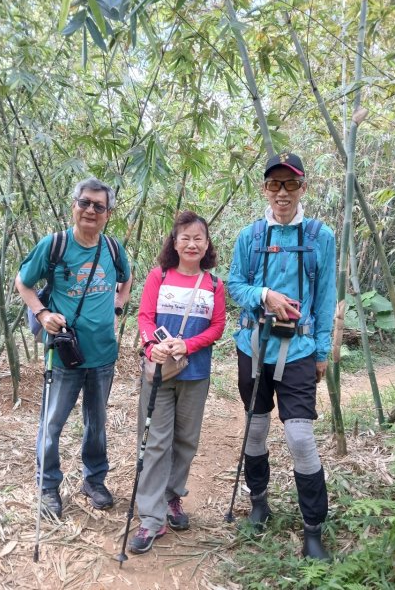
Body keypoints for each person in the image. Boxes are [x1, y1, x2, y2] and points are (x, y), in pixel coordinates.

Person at [228, 152, 336, 560]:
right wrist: (264, 295)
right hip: (253, 346)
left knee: (300, 437)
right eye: (275, 184)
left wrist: (323, 351)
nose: (282, 192)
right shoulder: (250, 237)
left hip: (301, 350)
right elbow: (235, 284)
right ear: (265, 189)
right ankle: (259, 502)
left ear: (303, 187)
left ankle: (313, 528)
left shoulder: (321, 236)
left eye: (291, 184)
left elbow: (325, 297)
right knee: (255, 430)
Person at [15, 177, 132, 519]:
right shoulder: (55, 245)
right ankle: (48, 485)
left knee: (96, 422)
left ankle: (94, 480)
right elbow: (23, 281)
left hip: (103, 354)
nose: (90, 210)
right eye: (85, 203)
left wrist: (118, 305)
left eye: (99, 206)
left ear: (108, 213)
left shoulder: (112, 249)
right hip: (64, 354)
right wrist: (42, 312)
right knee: (52, 424)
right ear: (74, 206)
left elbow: (127, 278)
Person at [129, 210, 226, 554]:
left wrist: (188, 344)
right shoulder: (159, 276)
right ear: (174, 242)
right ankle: (151, 518)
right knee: (156, 441)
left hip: (195, 373)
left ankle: (172, 498)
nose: (191, 243)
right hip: (158, 372)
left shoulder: (214, 284)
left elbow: (217, 327)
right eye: (184, 237)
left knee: (186, 440)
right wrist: (151, 345)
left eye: (198, 237)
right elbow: (144, 317)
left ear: (207, 244)